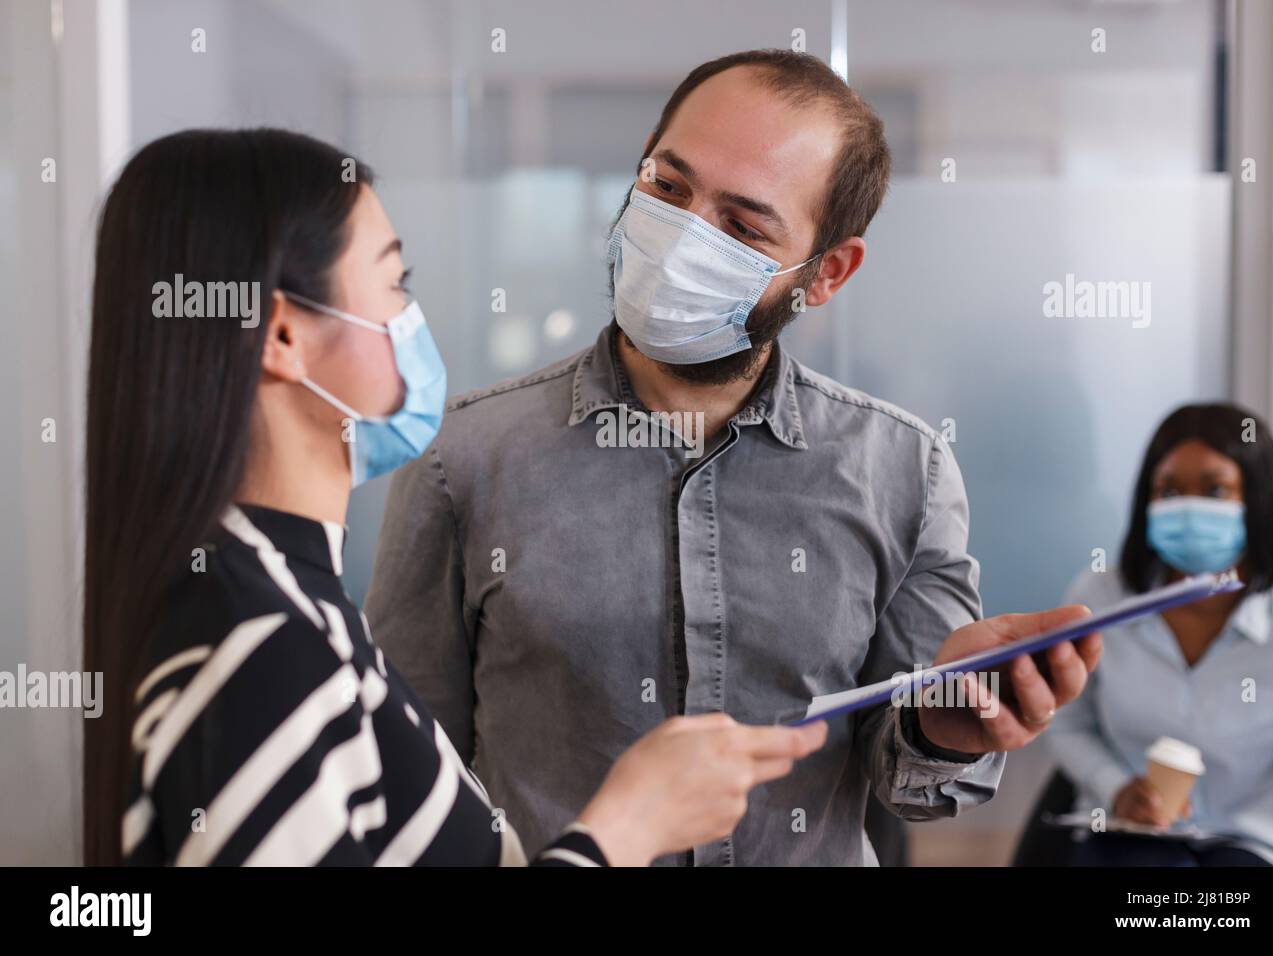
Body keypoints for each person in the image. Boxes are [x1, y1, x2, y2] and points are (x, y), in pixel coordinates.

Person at [366, 49, 1102, 866]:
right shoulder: (463, 459)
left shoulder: (901, 471)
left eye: (743, 226)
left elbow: (911, 782)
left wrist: (945, 726)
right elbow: (402, 773)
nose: (682, 237)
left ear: (827, 273)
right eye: (669, 187)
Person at [81, 127, 831, 867]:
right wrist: (623, 830)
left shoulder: (277, 602)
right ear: (280, 335)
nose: (412, 319)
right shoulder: (256, 648)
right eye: (394, 284)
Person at [1045, 403, 1273, 867]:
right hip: (1125, 837)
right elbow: (1067, 723)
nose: (1187, 508)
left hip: (1247, 843)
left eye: (1215, 489)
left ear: (1258, 500)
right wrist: (1116, 788)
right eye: (1169, 490)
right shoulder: (1099, 598)